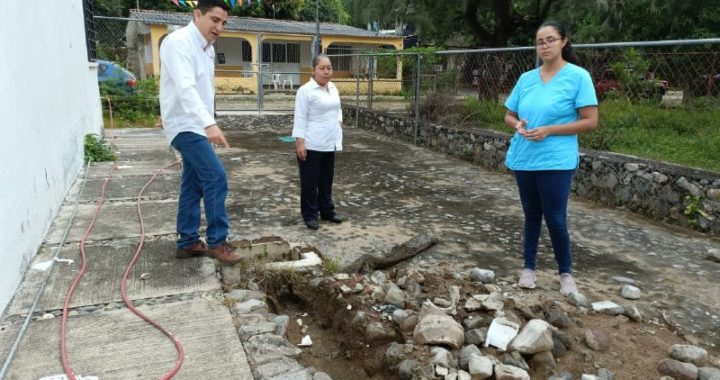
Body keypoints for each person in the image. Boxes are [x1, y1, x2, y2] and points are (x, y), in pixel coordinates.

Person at [503, 21, 599, 295]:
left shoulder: (578, 77)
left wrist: (550, 130)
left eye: (550, 40)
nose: (544, 46)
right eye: (540, 41)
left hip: (556, 160)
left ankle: (565, 272)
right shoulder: (526, 79)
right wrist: (517, 124)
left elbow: (590, 121)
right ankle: (529, 268)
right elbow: (509, 114)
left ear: (563, 42)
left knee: (555, 218)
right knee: (531, 215)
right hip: (525, 158)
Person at [159, 0, 243, 264]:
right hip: (186, 125)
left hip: (196, 123)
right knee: (216, 177)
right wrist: (208, 124)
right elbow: (184, 87)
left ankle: (187, 242)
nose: (219, 27)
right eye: (214, 20)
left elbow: (203, 90)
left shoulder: (207, 47)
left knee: (192, 184)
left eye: (223, 23)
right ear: (197, 14)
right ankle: (218, 242)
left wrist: (208, 121)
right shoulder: (178, 42)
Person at [292, 54, 344, 230]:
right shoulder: (305, 91)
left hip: (330, 143)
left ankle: (327, 211)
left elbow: (338, 108)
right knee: (310, 182)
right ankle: (310, 215)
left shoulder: (333, 88)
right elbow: (299, 118)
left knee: (326, 181)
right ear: (313, 70)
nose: (326, 71)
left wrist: (339, 120)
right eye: (322, 68)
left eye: (329, 68)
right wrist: (300, 142)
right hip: (311, 144)